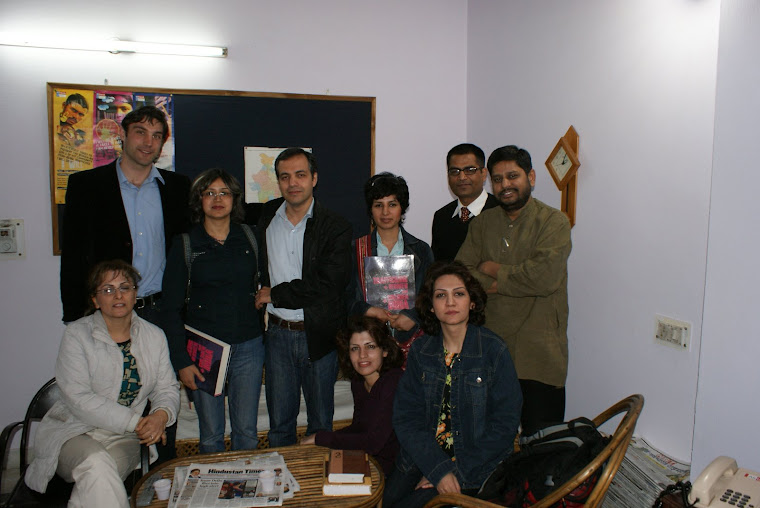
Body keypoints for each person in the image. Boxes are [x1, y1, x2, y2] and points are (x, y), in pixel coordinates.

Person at [60, 105, 190, 464]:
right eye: (141, 132)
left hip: (161, 311)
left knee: (164, 399)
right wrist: (75, 316)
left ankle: (161, 483)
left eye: (157, 136)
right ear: (123, 135)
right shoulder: (87, 186)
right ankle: (103, 468)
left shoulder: (177, 188)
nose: (148, 142)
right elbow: (73, 256)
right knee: (111, 396)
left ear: (163, 144)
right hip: (108, 313)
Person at [25, 260, 179, 508]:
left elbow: (167, 388)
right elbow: (79, 398)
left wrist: (161, 415)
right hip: (75, 431)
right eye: (107, 289)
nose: (118, 295)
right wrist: (136, 422)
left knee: (97, 482)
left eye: (125, 287)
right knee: (97, 465)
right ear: (95, 300)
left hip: (124, 437)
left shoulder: (154, 335)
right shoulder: (77, 335)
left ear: (135, 294)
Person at [384, 261, 522, 508]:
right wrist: (438, 469)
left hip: (475, 467)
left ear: (472, 302)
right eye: (440, 296)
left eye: (458, 294)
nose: (450, 302)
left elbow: (504, 427)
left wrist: (453, 471)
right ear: (431, 307)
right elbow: (406, 418)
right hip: (423, 459)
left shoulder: (493, 351)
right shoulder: (421, 351)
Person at [456, 145, 571, 434]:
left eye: (512, 176)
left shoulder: (554, 222)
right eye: (497, 179)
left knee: (542, 448)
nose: (505, 185)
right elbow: (462, 273)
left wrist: (492, 271)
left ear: (530, 177)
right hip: (492, 350)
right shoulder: (482, 225)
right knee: (490, 444)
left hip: (540, 353)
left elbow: (544, 277)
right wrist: (509, 281)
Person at [160, 168, 264, 453]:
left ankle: (246, 492)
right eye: (209, 193)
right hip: (204, 351)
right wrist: (181, 360)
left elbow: (269, 278)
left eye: (224, 193)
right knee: (210, 436)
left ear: (234, 199)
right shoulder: (185, 244)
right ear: (199, 200)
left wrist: (267, 293)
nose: (217, 199)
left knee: (246, 432)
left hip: (249, 346)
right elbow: (169, 309)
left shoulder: (252, 238)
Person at [254, 148, 352, 447]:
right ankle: (281, 490)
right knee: (279, 426)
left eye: (300, 175)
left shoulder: (336, 227)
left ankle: (317, 490)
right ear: (278, 182)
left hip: (319, 336)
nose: (292, 183)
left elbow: (328, 285)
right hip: (278, 336)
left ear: (314, 178)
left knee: (320, 425)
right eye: (285, 177)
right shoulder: (265, 218)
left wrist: (276, 294)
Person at [300, 315, 404, 476]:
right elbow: (359, 428)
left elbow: (373, 442)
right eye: (355, 348)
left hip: (400, 467)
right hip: (371, 461)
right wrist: (318, 439)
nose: (362, 355)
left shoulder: (394, 381)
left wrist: (321, 438)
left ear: (385, 350)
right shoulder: (359, 382)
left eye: (370, 346)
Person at [347, 172, 433, 345]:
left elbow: (432, 294)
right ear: (370, 209)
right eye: (378, 205)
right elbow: (343, 297)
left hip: (412, 341)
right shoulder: (355, 249)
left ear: (402, 208)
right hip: (368, 341)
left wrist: (413, 317)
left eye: (392, 204)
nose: (385, 212)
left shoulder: (421, 250)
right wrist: (367, 310)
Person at [431, 143, 499, 262]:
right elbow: (437, 266)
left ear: (484, 174)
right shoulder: (442, 216)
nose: (462, 177)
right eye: (455, 171)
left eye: (469, 170)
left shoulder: (501, 211)